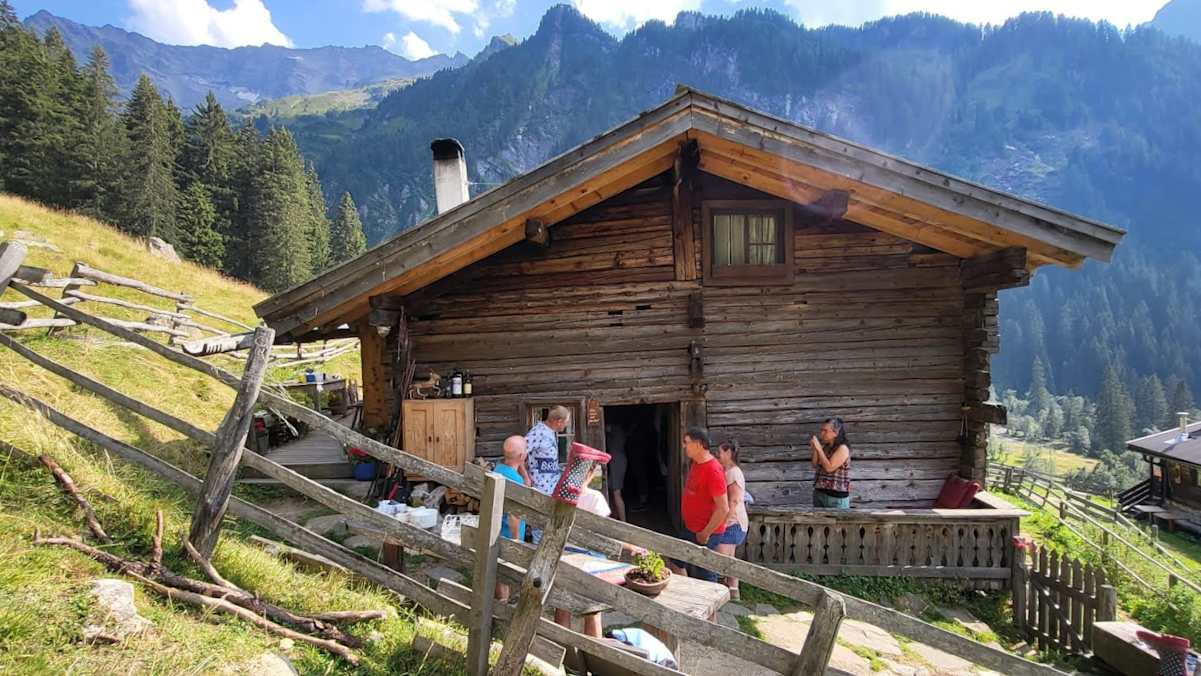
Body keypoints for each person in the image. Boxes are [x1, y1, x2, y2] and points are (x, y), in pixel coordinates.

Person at [553, 462, 643, 637]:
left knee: (563, 605)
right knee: (592, 610)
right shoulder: (595, 498)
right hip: (590, 561)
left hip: (565, 555)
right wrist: (630, 546)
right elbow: (606, 533)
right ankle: (593, 653)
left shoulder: (560, 494)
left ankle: (561, 647)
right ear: (589, 474)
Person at [673, 426, 728, 582]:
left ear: (698, 444)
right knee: (676, 561)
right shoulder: (696, 463)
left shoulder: (713, 470)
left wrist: (706, 533)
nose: (683, 446)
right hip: (691, 528)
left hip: (705, 531)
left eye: (686, 442)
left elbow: (723, 508)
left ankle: (711, 605)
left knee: (704, 572)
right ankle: (689, 598)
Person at [493, 435, 529, 603]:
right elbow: (514, 515)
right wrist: (516, 540)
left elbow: (526, 483)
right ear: (522, 456)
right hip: (508, 531)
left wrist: (521, 466)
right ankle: (502, 606)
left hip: (496, 528)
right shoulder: (515, 481)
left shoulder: (498, 470)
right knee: (505, 572)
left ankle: (500, 601)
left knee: (498, 568)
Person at [526, 405, 570, 542]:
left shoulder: (550, 432)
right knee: (540, 525)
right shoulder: (538, 432)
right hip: (540, 487)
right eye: (566, 422)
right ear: (559, 421)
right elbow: (518, 453)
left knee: (549, 526)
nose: (566, 425)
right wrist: (526, 478)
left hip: (551, 488)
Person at [715, 439, 748, 601]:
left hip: (733, 522)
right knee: (729, 559)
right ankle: (734, 592)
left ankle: (724, 592)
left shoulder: (734, 473)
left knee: (722, 559)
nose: (717, 455)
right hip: (731, 521)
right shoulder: (727, 471)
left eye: (720, 452)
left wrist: (725, 522)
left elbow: (733, 501)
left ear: (729, 453)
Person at [810, 417, 852, 508]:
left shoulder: (843, 448)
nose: (822, 434)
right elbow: (814, 465)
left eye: (825, 431)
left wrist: (819, 449)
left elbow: (829, 468)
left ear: (835, 433)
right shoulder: (825, 447)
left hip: (836, 498)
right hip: (819, 493)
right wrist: (815, 449)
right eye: (821, 430)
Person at [604, 414, 628, 521]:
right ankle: (615, 516)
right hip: (617, 460)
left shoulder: (615, 429)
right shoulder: (620, 431)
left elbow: (603, 427)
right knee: (611, 489)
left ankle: (623, 522)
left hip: (617, 461)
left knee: (616, 492)